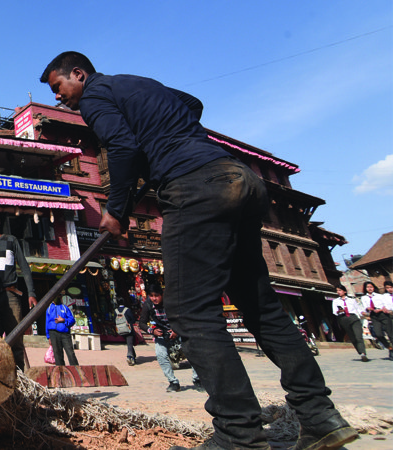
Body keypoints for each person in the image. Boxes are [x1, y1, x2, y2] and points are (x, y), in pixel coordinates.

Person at [41, 51, 355, 450]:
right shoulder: (138, 83)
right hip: (237, 178)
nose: (60, 99)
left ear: (79, 74)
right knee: (260, 306)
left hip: (195, 187)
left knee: (190, 311)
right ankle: (320, 417)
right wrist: (162, 138)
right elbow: (192, 104)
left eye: (59, 88)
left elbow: (120, 144)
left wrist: (116, 207)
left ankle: (239, 435)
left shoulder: (94, 96)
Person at [0, 212, 37, 370]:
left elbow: (24, 267)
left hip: (11, 295)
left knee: (15, 339)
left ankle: (20, 381)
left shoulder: (11, 240)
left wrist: (31, 293)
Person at [138, 284, 201, 392]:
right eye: (151, 296)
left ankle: (197, 380)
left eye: (156, 296)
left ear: (162, 295)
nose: (154, 298)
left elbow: (185, 316)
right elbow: (141, 323)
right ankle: (173, 382)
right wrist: (152, 331)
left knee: (193, 352)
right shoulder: (148, 305)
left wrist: (177, 329)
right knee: (160, 355)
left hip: (179, 331)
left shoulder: (172, 302)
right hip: (162, 335)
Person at [332, 285, 368, 361]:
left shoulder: (351, 300)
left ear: (344, 291)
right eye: (337, 290)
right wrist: (339, 311)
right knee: (353, 338)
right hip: (343, 318)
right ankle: (360, 351)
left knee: (358, 336)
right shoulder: (335, 301)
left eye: (340, 290)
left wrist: (363, 314)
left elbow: (358, 309)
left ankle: (363, 353)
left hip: (353, 318)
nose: (338, 292)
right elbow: (334, 312)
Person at [361, 281, 392, 358]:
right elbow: (365, 307)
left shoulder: (380, 296)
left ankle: (391, 352)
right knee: (378, 334)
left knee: (390, 333)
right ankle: (389, 347)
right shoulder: (364, 297)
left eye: (371, 287)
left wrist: (382, 309)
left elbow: (386, 305)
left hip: (383, 315)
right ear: (365, 288)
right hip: (374, 316)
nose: (370, 288)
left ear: (374, 287)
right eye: (368, 287)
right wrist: (368, 309)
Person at [45, 296, 78, 366]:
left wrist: (63, 320)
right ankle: (61, 372)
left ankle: (76, 370)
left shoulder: (65, 308)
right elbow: (47, 323)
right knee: (57, 354)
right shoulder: (49, 309)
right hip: (53, 333)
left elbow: (72, 320)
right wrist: (48, 337)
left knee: (70, 353)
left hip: (65, 334)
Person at [115, 298, 137, 366]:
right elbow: (133, 319)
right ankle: (129, 357)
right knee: (130, 344)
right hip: (128, 329)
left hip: (120, 330)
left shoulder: (116, 311)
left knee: (129, 343)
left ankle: (134, 356)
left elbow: (114, 320)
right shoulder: (127, 310)